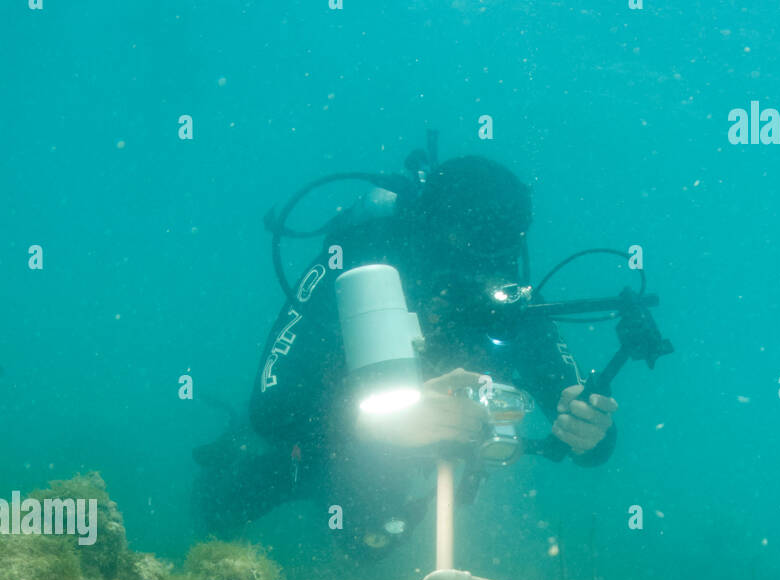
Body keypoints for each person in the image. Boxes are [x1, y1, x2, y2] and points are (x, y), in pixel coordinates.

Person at [194, 155, 619, 550]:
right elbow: (270, 407)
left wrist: (592, 431)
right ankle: (246, 461)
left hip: (391, 459)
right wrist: (376, 421)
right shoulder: (355, 262)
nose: (477, 273)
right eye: (462, 243)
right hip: (311, 434)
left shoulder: (510, 297)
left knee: (372, 542)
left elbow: (579, 420)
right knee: (223, 508)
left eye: (498, 250)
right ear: (423, 227)